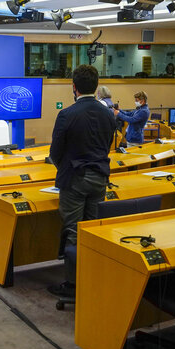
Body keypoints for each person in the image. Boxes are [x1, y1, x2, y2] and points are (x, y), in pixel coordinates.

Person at [48, 65, 116, 298]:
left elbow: (55, 153)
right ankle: (90, 278)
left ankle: (73, 285)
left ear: (73, 87)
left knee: (73, 232)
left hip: (75, 179)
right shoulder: (108, 113)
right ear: (96, 87)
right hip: (100, 178)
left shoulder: (67, 114)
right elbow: (108, 145)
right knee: (92, 230)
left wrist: (65, 167)